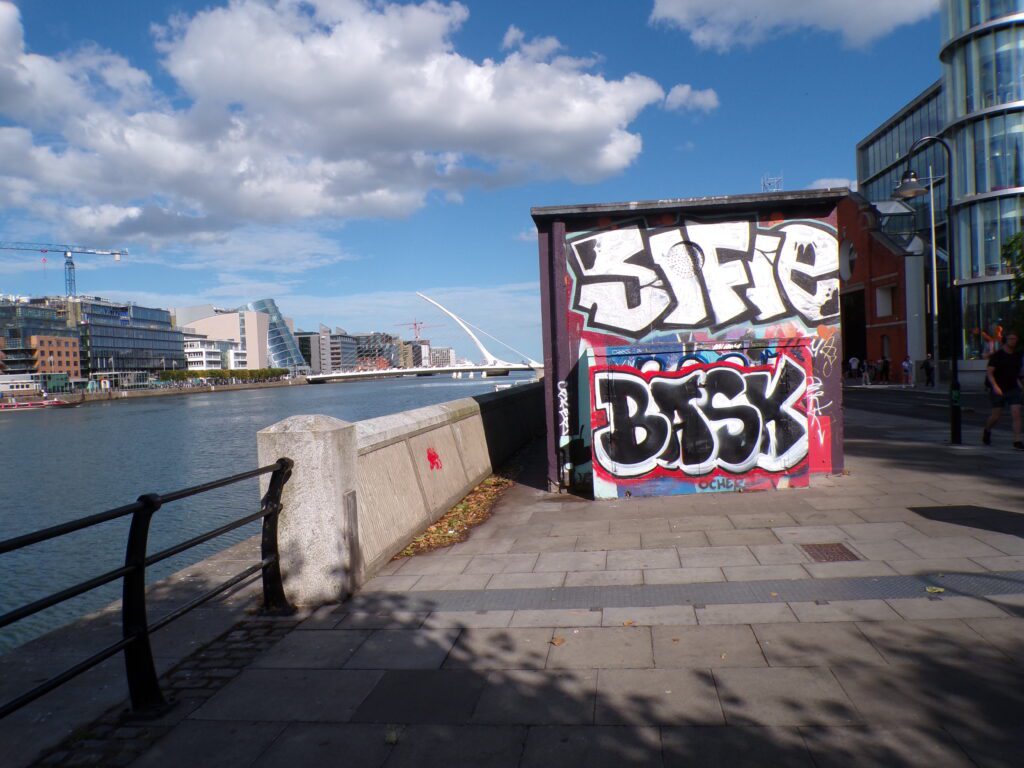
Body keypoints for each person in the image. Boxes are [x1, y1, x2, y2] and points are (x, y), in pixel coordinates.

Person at [982, 332, 1023, 449]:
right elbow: (990, 373)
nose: (1013, 341)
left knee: (1016, 412)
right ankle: (987, 429)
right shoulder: (998, 355)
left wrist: (1021, 385)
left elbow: (1018, 373)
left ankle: (1017, 440)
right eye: (1011, 339)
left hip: (1013, 388)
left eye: (1015, 339)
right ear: (1006, 340)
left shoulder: (1017, 356)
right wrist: (995, 386)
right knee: (996, 415)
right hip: (998, 388)